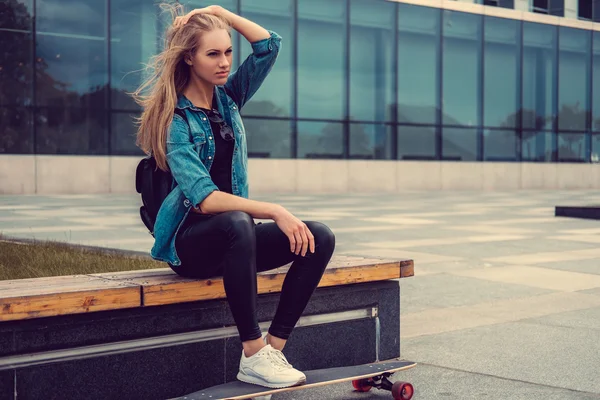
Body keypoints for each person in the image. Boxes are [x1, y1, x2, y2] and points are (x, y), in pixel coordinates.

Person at [132, 3, 335, 390]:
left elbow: (269, 46)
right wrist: (275, 210)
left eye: (227, 52)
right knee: (238, 222)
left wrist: (222, 13)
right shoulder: (174, 120)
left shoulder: (228, 100)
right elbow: (206, 199)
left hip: (234, 240)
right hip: (191, 245)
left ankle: (271, 350)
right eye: (213, 53)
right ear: (189, 58)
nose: (224, 62)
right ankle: (253, 352)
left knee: (318, 237)